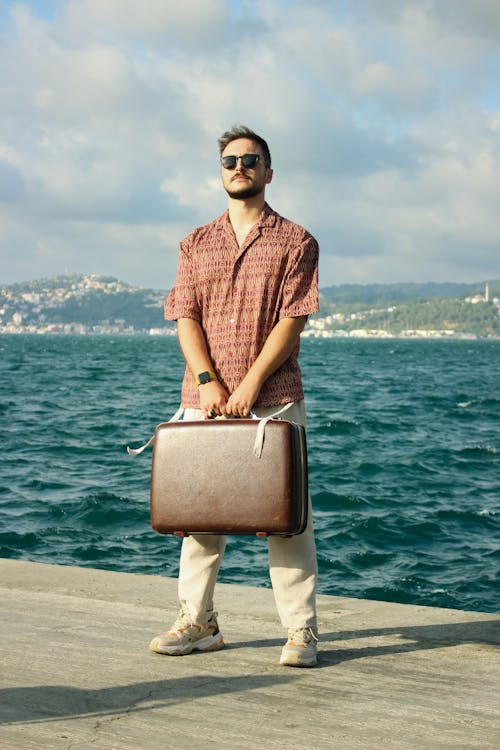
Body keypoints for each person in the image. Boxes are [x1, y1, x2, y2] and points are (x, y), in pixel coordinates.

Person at [150, 125, 320, 667]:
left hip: (275, 398)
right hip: (204, 397)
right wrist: (210, 384)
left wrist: (248, 385)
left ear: (269, 172)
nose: (239, 167)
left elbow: (292, 322)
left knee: (287, 517)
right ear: (220, 173)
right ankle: (198, 622)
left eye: (250, 159)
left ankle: (301, 632)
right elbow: (185, 317)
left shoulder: (298, 242)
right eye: (230, 161)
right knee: (200, 516)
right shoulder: (194, 243)